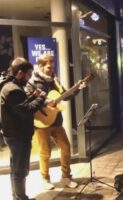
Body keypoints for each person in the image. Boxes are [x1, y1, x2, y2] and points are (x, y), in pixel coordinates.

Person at [25, 54, 85, 190]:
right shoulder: (32, 81)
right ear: (40, 66)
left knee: (66, 147)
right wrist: (46, 102)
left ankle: (66, 177)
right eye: (48, 67)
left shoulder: (54, 80)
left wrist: (77, 89)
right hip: (42, 122)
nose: (51, 69)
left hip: (56, 121)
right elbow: (28, 98)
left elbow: (65, 95)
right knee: (45, 152)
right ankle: (45, 178)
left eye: (52, 66)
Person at [0, 57, 46, 200]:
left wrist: (33, 96)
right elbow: (26, 110)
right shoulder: (13, 89)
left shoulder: (9, 85)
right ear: (20, 73)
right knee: (21, 170)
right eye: (29, 75)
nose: (30, 78)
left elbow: (19, 105)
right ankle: (21, 198)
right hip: (18, 135)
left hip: (13, 133)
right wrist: (41, 98)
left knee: (16, 168)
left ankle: (18, 196)